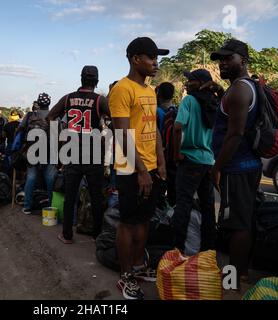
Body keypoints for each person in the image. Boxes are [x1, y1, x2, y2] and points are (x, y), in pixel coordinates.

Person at [109, 37, 168, 300]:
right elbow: (121, 133)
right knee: (127, 222)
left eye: (157, 58)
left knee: (144, 219)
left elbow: (152, 127)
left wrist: (161, 162)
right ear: (136, 59)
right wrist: (142, 170)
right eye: (151, 57)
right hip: (129, 167)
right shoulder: (122, 89)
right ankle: (125, 276)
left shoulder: (150, 91)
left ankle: (137, 267)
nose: (156, 63)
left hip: (151, 166)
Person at [209, 39, 262, 287]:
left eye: (229, 58)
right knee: (243, 220)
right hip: (246, 165)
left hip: (236, 167)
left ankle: (232, 280)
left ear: (244, 60)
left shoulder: (240, 89)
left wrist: (217, 167)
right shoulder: (243, 87)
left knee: (235, 225)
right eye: (221, 58)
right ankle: (240, 272)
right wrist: (221, 94)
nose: (223, 63)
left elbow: (235, 134)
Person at [48, 66, 110, 244]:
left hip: (72, 153)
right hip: (94, 155)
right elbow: (117, 119)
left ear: (81, 79)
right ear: (96, 81)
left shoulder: (68, 98)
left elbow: (51, 117)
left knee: (70, 196)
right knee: (96, 196)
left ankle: (67, 235)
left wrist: (59, 139)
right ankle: (96, 235)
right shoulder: (100, 100)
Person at [171, 69, 217, 255]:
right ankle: (208, 251)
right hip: (208, 161)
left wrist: (176, 154)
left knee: (183, 203)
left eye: (190, 80)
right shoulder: (214, 102)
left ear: (199, 83)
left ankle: (178, 250)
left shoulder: (189, 101)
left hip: (190, 160)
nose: (187, 83)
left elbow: (177, 127)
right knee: (208, 207)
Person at [19, 93, 57, 215]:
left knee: (31, 179)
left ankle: (27, 207)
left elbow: (20, 130)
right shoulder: (55, 116)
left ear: (38, 103)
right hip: (50, 152)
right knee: (50, 180)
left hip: (33, 152)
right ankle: (51, 206)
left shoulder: (30, 115)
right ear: (49, 103)